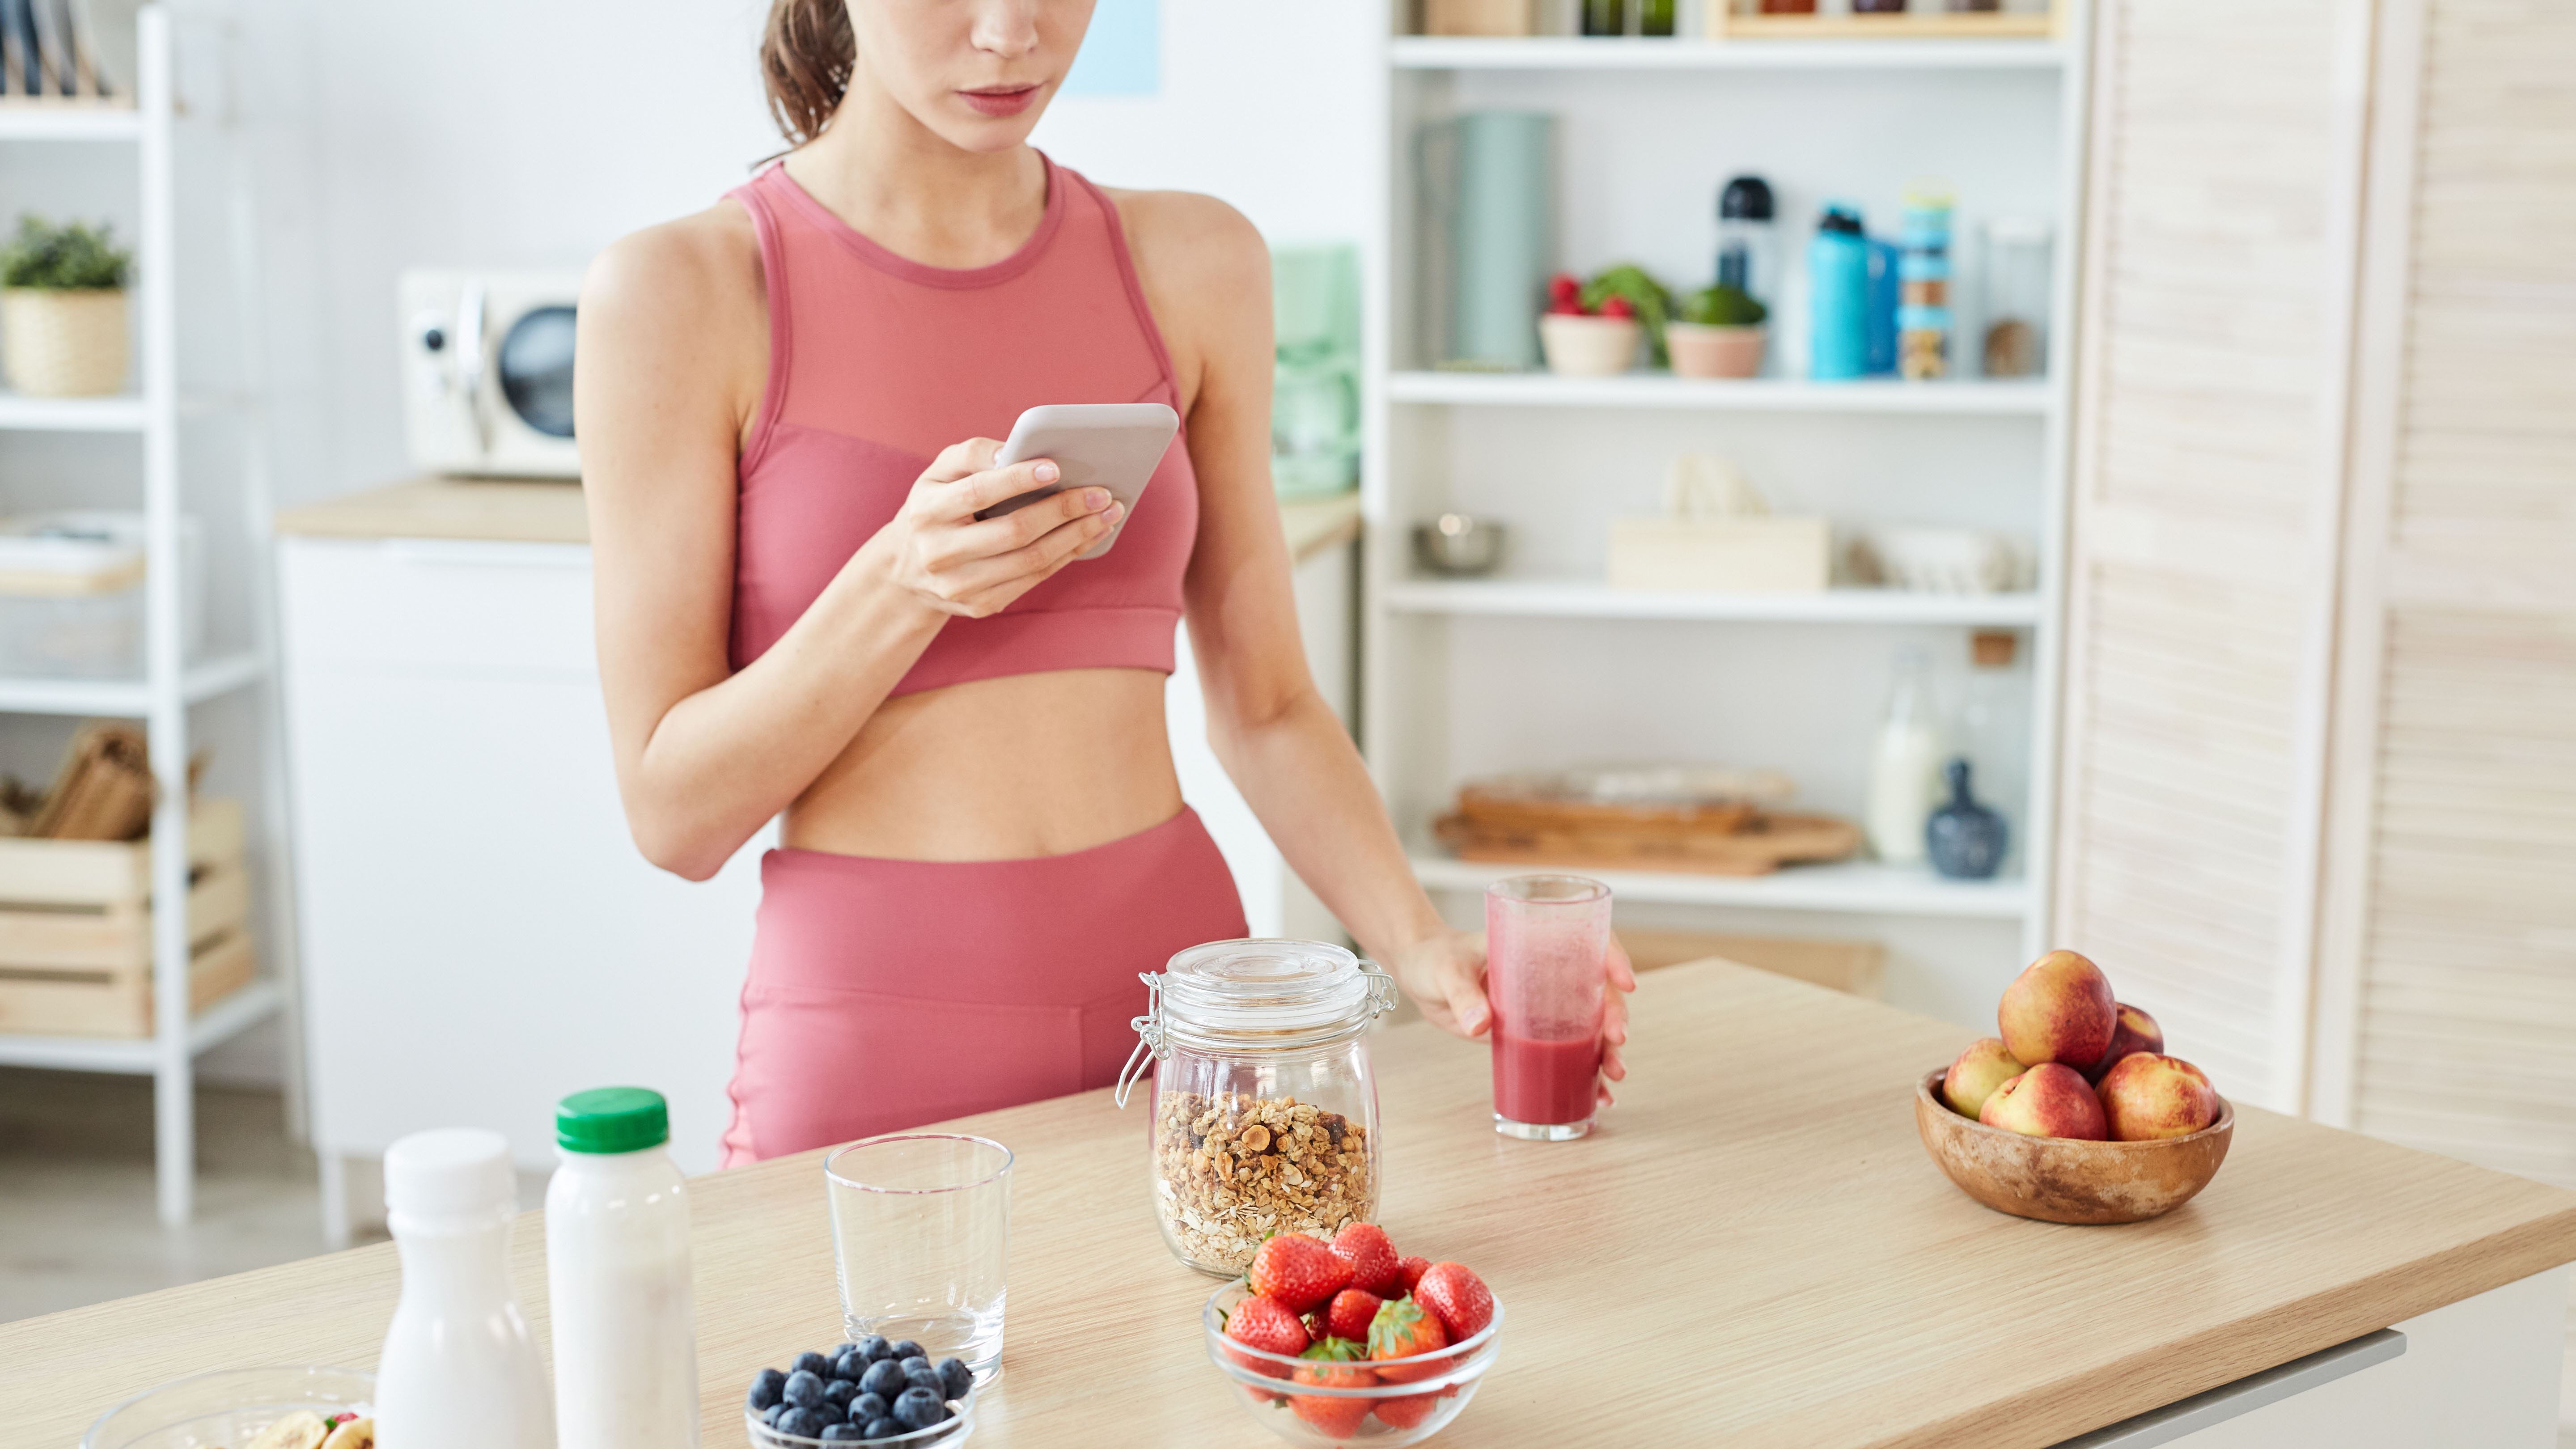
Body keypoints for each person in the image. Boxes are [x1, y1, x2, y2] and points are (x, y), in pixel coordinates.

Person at [576, 0, 1631, 1164]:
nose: (1008, 33)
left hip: (1194, 1010)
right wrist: (902, 581)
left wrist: (1418, 942)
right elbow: (673, 816)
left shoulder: (1195, 262)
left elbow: (1270, 706)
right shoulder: (683, 291)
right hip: (873, 1026)